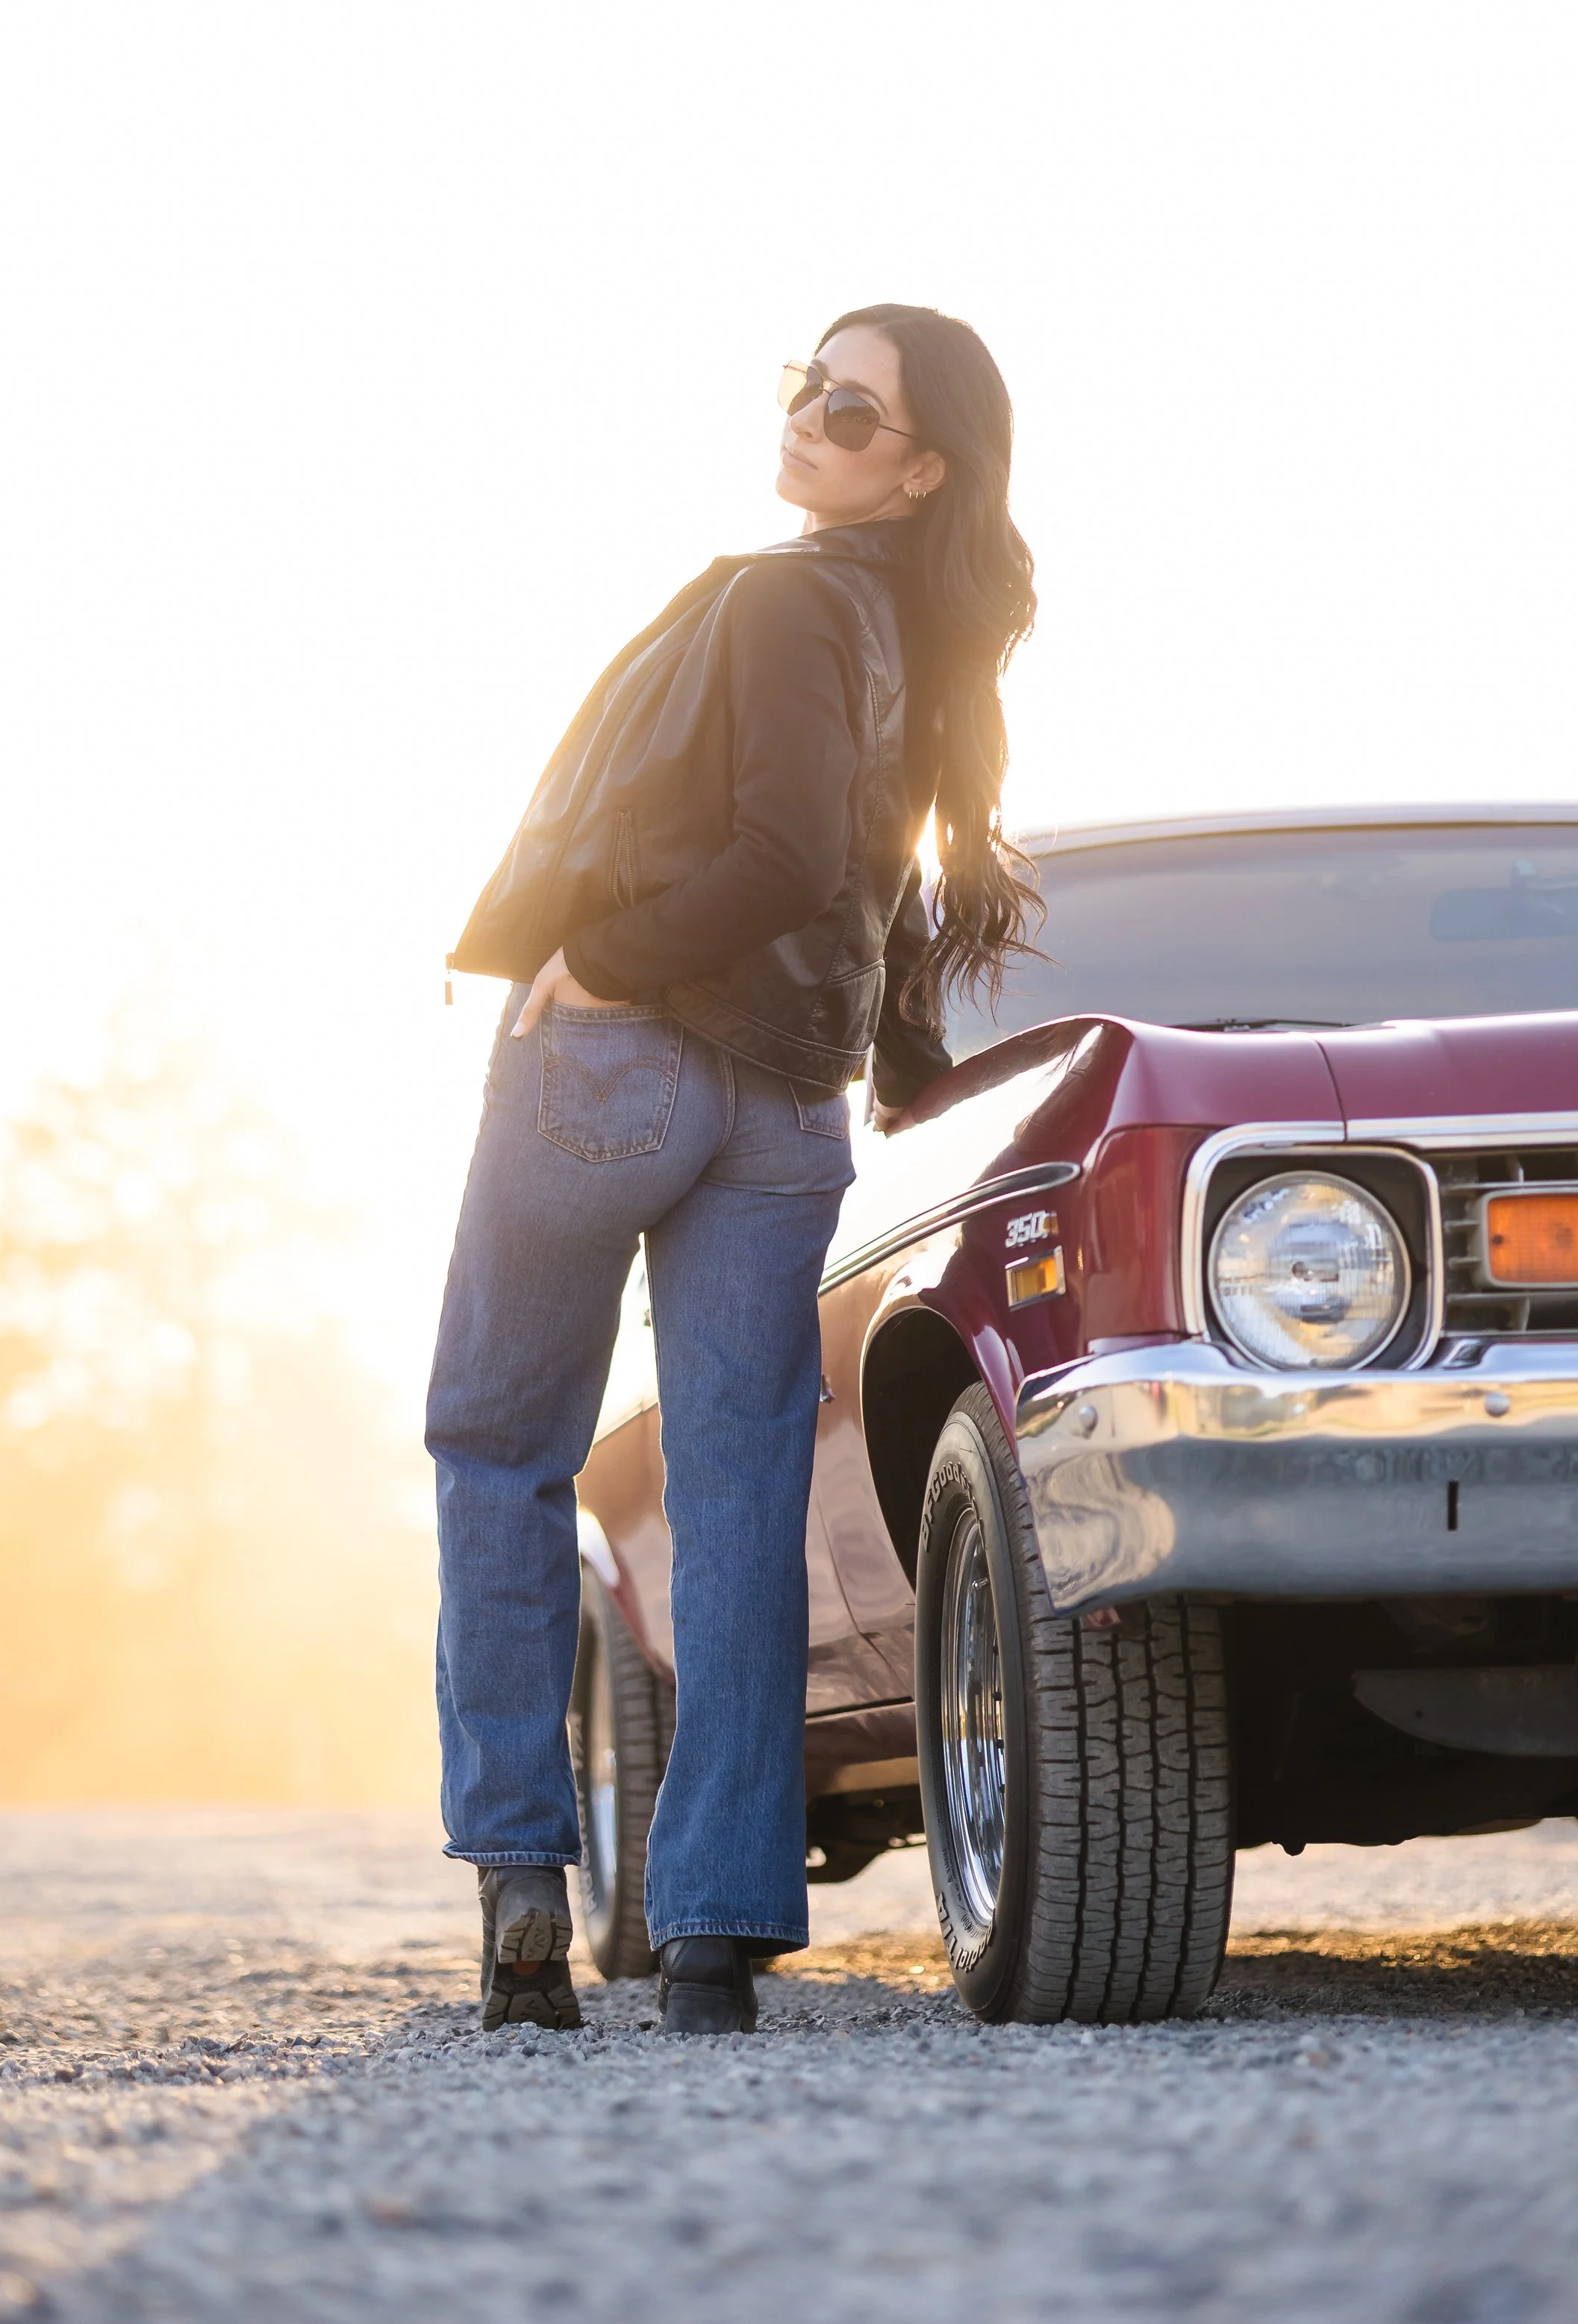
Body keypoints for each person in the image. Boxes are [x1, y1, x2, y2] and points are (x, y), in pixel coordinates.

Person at [425, 305, 1039, 2034]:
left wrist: (601, 970)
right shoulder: (923, 639)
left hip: (623, 1062)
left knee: (495, 1442)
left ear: (915, 468)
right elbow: (882, 884)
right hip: (785, 1108)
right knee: (743, 1491)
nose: (811, 423)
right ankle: (711, 1936)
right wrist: (902, 1065)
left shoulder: (784, 599)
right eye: (807, 389)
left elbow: (778, 854)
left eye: (851, 413)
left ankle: (522, 1897)